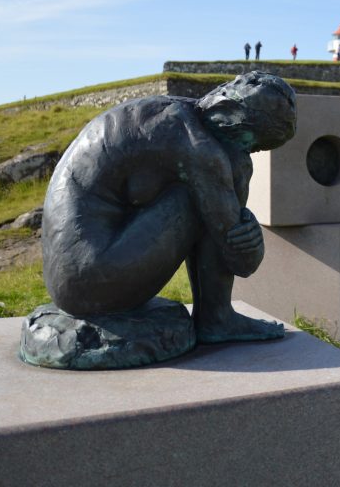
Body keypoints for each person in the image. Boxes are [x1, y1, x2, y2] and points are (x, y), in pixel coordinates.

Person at [41, 72, 297, 344]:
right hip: (89, 280)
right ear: (231, 116)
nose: (248, 151)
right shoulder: (198, 148)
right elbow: (240, 258)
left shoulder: (174, 113)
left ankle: (216, 317)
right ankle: (217, 319)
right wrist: (250, 239)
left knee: (215, 183)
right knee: (203, 193)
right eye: (252, 143)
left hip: (70, 276)